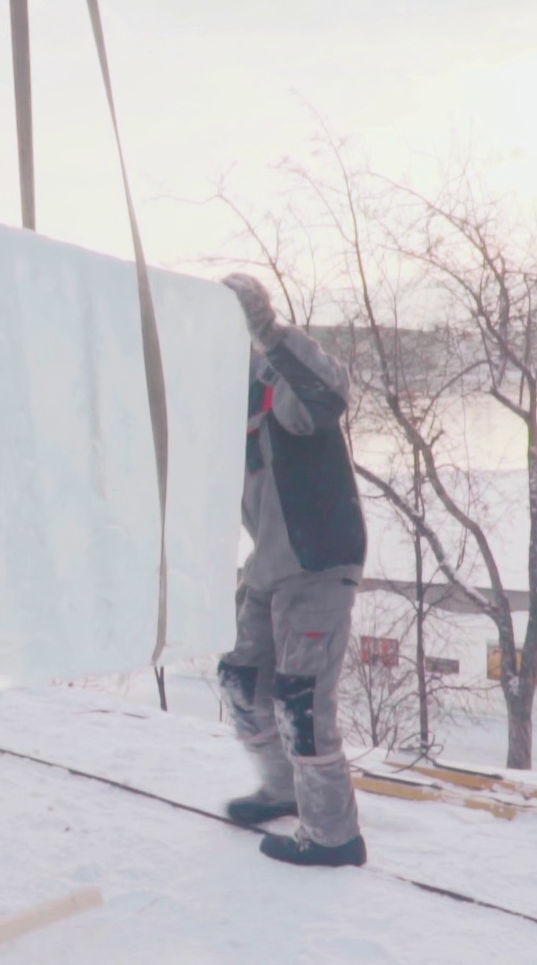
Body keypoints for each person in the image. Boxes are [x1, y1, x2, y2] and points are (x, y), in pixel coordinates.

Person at [217, 273, 369, 867]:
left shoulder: (275, 383)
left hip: (317, 557)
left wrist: (269, 332)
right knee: (240, 677)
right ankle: (284, 789)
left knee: (300, 702)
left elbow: (330, 394)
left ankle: (334, 835)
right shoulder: (217, 405)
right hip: (270, 562)